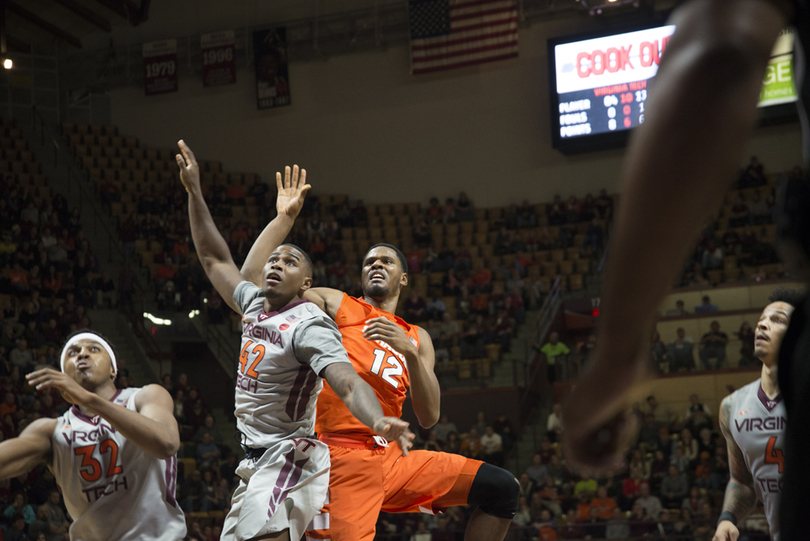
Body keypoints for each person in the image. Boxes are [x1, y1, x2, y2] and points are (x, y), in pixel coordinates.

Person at [234, 175, 519, 541]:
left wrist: (410, 354)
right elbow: (257, 284)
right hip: (338, 453)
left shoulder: (418, 337)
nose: (376, 265)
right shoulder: (336, 303)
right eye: (369, 262)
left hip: (393, 457)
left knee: (502, 489)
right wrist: (283, 220)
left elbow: (429, 416)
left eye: (386, 261)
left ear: (404, 278)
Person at [178, 141, 412, 541]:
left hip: (291, 455)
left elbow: (348, 381)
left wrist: (377, 420)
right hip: (254, 459)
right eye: (274, 259)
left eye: (289, 262)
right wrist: (194, 193)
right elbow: (214, 259)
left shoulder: (309, 325)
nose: (276, 264)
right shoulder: (254, 302)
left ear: (306, 283)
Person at [0, 330, 187, 540]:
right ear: (64, 377)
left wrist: (90, 400)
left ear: (113, 370)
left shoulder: (144, 397)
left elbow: (166, 444)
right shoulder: (51, 431)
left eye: (94, 349)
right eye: (73, 352)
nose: (82, 354)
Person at [713, 290, 800, 541]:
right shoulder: (732, 406)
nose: (762, 324)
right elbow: (742, 483)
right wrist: (727, 518)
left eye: (777, 320)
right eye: (762, 319)